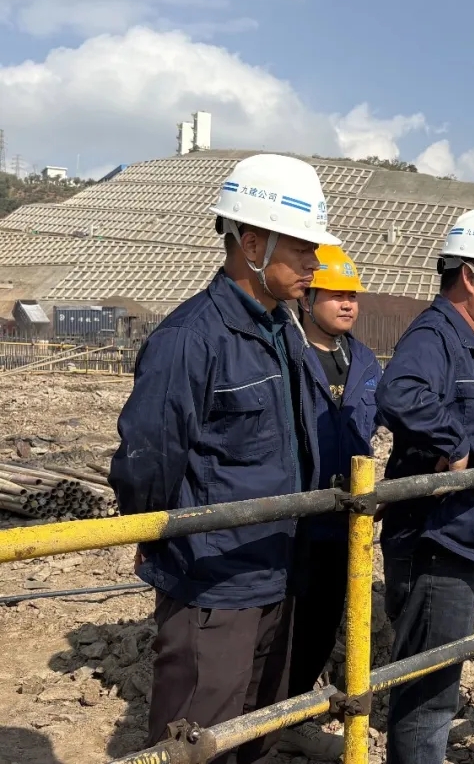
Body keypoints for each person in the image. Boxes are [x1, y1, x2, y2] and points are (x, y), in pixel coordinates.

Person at [109, 154, 338, 764]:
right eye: (302, 249)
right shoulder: (191, 338)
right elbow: (147, 456)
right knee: (196, 741)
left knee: (257, 734)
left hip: (278, 568)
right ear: (253, 244)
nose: (314, 264)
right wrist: (152, 531)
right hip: (213, 581)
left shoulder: (283, 332)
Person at [375, 208, 474, 764]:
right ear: (471, 276)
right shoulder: (435, 336)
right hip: (436, 541)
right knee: (429, 692)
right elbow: (398, 392)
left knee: (437, 682)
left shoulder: (466, 342)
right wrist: (455, 440)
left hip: (460, 537)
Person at [278, 246, 381, 760]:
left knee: (321, 624)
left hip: (344, 522)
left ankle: (292, 717)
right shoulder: (287, 356)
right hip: (292, 522)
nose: (347, 305)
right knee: (281, 626)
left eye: (352, 296)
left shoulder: (363, 361)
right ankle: (267, 719)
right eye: (336, 294)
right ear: (308, 297)